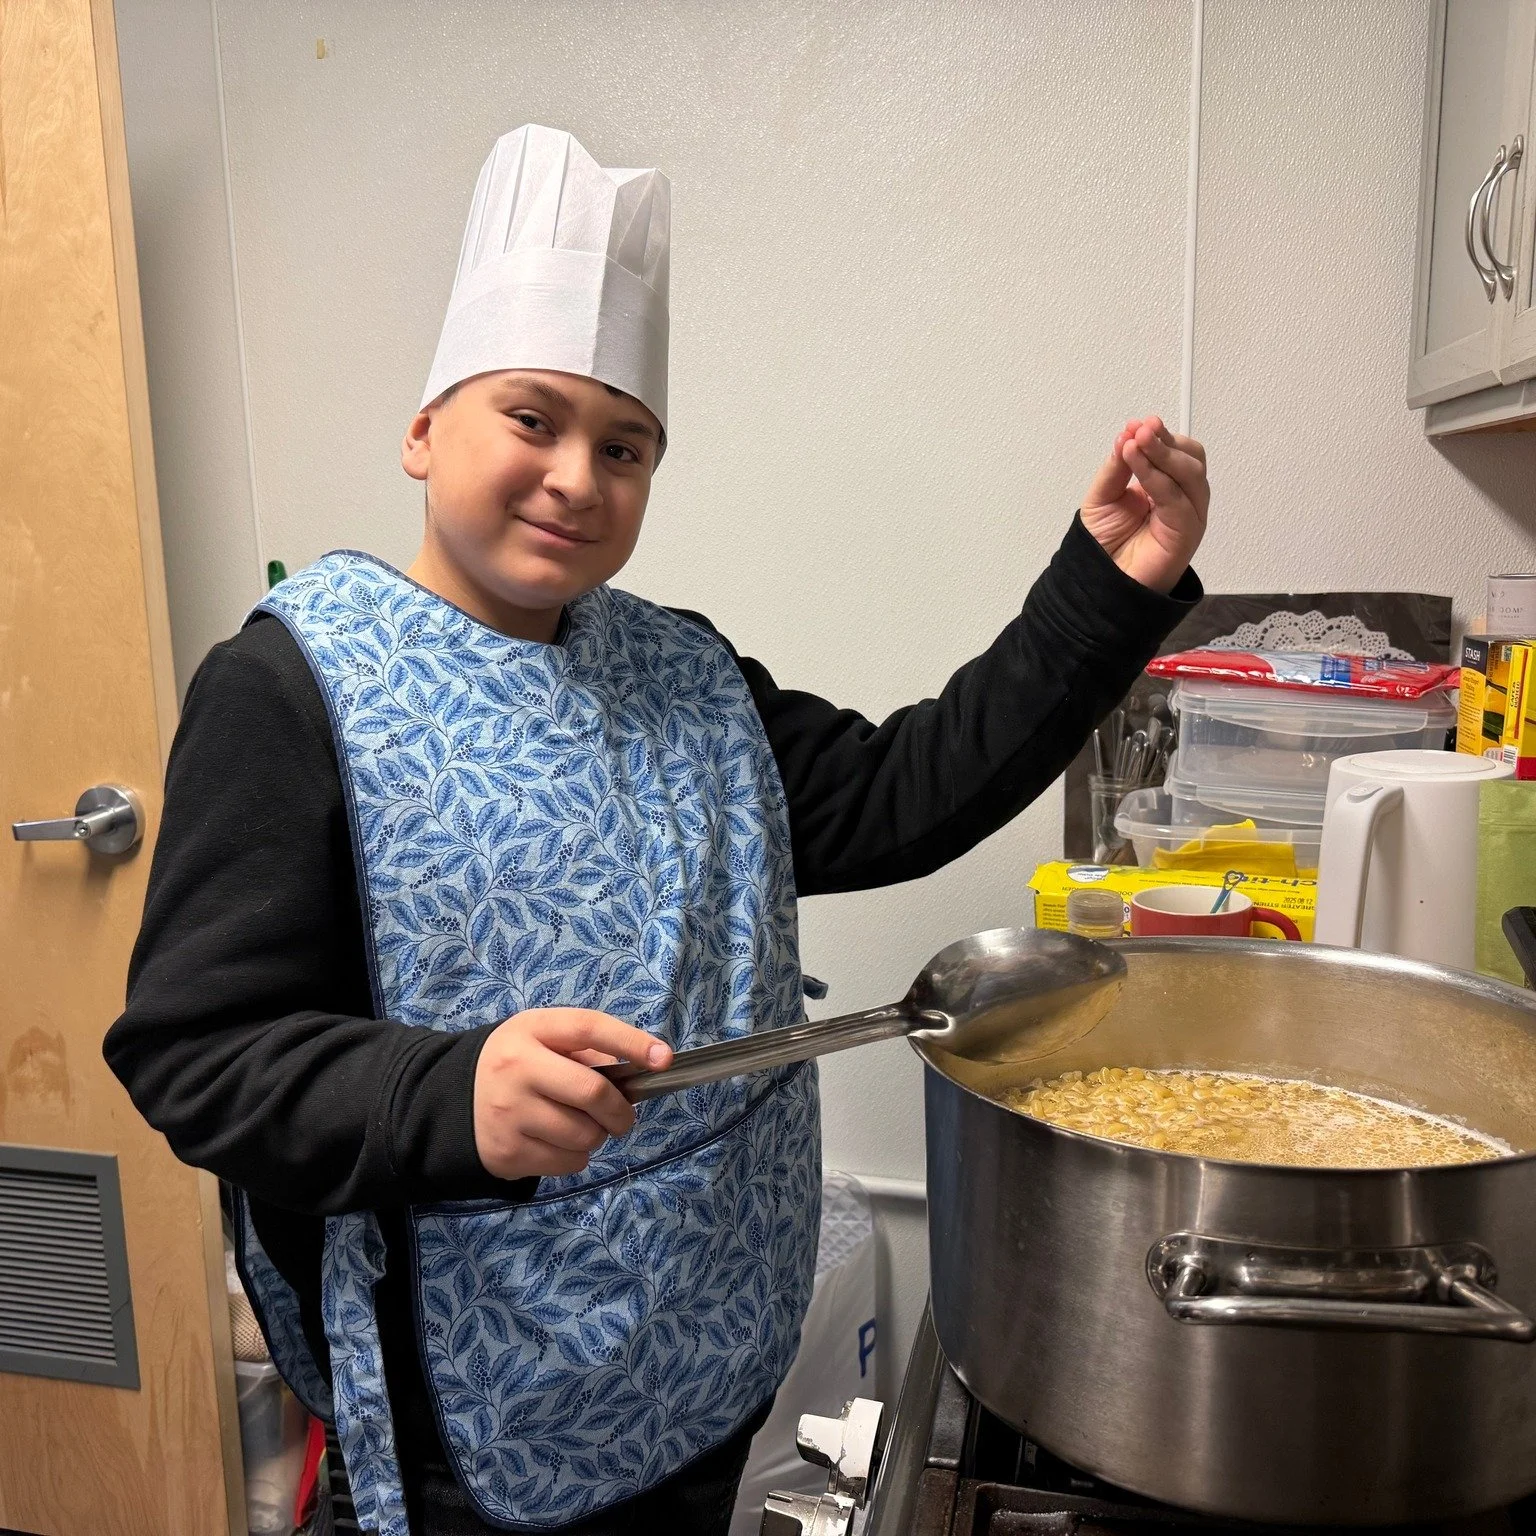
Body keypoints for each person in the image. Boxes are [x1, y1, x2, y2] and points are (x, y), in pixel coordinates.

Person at [105, 125, 1209, 1536]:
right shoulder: (293, 689)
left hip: (704, 1355)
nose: (578, 475)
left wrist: (1107, 585)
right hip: (476, 1420)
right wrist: (447, 1094)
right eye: (532, 419)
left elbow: (907, 791)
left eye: (623, 447)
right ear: (424, 430)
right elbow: (194, 1051)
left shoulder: (685, 674)